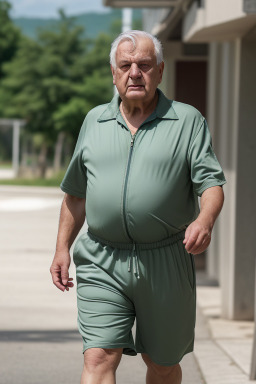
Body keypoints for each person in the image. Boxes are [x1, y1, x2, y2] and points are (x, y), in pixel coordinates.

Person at [50, 30, 226, 384]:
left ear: (160, 72)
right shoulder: (94, 121)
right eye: (125, 65)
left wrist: (204, 220)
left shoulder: (187, 120)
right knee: (98, 356)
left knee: (161, 364)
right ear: (114, 73)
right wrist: (61, 249)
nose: (135, 73)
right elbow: (76, 193)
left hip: (164, 260)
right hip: (102, 257)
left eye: (144, 65)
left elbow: (211, 183)